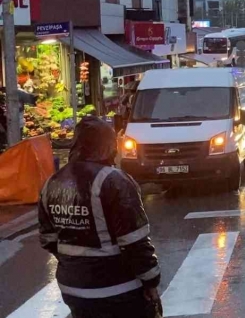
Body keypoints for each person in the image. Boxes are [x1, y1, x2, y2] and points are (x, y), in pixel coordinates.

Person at [38, 116, 162, 318]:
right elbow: (135, 243)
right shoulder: (114, 181)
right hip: (118, 290)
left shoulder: (52, 182)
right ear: (108, 146)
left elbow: (48, 240)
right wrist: (151, 283)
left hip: (72, 290)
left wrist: (75, 265)